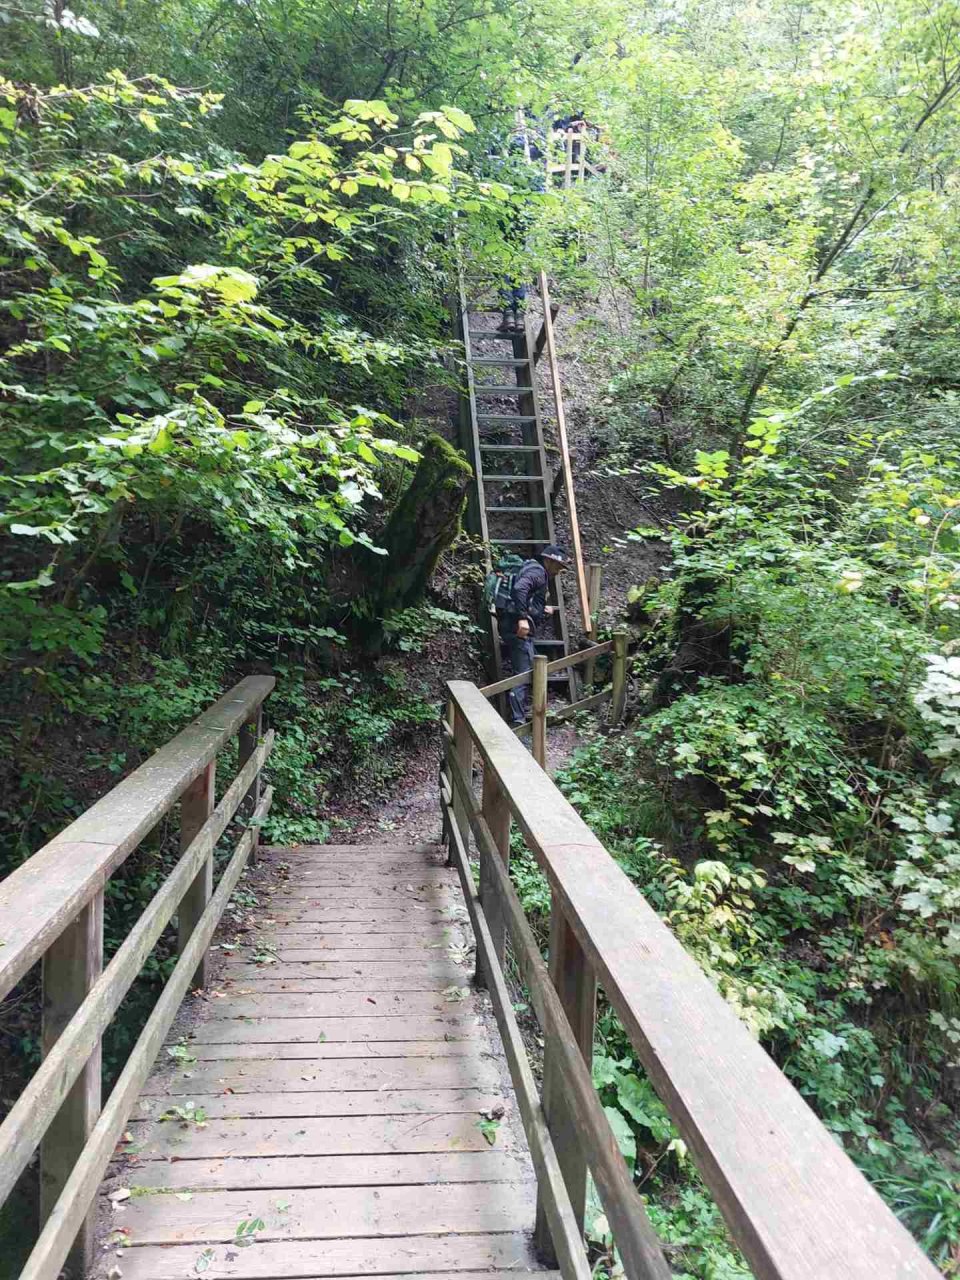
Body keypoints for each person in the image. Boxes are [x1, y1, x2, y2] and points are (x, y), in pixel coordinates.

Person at [499, 544, 569, 726]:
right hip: (517, 627)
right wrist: (522, 618)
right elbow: (520, 589)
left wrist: (539, 609)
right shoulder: (537, 573)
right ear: (548, 560)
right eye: (558, 566)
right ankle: (517, 722)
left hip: (513, 625)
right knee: (523, 673)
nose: (559, 571)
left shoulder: (534, 570)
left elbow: (526, 593)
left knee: (528, 668)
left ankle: (520, 716)